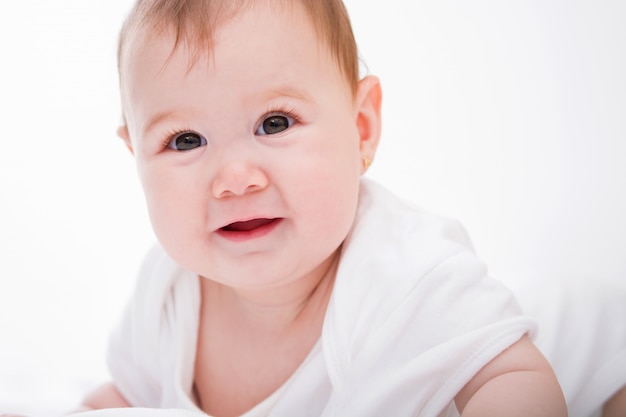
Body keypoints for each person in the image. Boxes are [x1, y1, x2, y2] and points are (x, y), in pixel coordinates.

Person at [73, 0, 568, 416]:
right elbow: (124, 398)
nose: (235, 179)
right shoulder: (166, 294)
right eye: (185, 140)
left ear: (361, 128)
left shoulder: (402, 274)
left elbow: (513, 377)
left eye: (274, 123)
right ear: (136, 155)